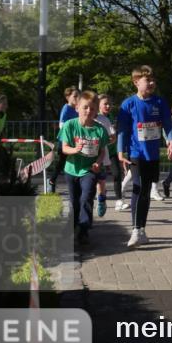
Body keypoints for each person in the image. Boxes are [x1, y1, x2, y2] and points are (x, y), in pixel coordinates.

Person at [117, 66, 172, 247]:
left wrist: (171, 141)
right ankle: (135, 230)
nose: (151, 83)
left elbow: (168, 124)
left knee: (146, 192)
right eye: (147, 80)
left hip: (153, 154)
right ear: (136, 82)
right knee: (139, 188)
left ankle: (141, 229)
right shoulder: (128, 104)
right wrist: (120, 151)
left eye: (153, 80)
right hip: (136, 153)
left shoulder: (159, 102)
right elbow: (122, 130)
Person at [57, 90, 108, 245]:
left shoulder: (100, 129)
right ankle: (72, 226)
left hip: (89, 170)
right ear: (77, 107)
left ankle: (84, 230)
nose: (88, 111)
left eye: (92, 108)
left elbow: (102, 151)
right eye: (85, 107)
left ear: (96, 110)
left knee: (86, 198)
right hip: (71, 169)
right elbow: (64, 148)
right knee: (74, 201)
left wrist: (98, 162)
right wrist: (75, 149)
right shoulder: (69, 125)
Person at [48, 86, 80, 193]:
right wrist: (71, 133)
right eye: (75, 96)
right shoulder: (66, 108)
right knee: (62, 163)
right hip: (65, 142)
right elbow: (61, 125)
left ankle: (77, 185)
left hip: (75, 142)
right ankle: (52, 181)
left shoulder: (77, 109)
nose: (77, 98)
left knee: (75, 162)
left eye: (78, 96)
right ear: (67, 97)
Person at [94, 94, 118, 218]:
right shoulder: (81, 119)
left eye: (109, 104)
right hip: (85, 156)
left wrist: (103, 142)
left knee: (100, 181)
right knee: (88, 184)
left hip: (102, 156)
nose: (108, 106)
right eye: (105, 104)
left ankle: (101, 199)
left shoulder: (104, 120)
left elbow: (113, 137)